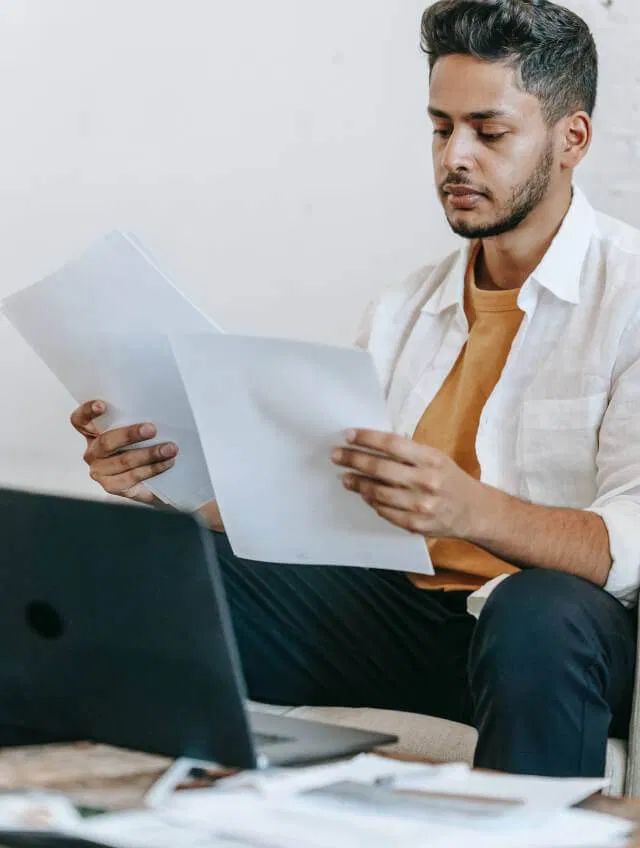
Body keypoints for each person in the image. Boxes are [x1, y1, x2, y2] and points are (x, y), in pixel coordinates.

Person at [70, 0, 640, 778]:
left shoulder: (629, 295)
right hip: (400, 617)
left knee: (536, 611)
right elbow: (314, 506)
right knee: (145, 566)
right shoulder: (404, 309)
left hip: (554, 638)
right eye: (441, 128)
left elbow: (628, 540)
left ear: (571, 138)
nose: (455, 157)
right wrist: (162, 481)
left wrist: (469, 509)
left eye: (489, 131)